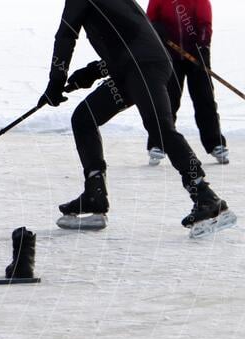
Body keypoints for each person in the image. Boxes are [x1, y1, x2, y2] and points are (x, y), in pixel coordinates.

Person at [40, 0, 233, 232]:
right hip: (134, 67)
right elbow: (127, 38)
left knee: (160, 128)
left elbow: (66, 35)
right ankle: (95, 195)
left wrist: (55, 82)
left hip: (143, 67)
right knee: (84, 118)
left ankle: (206, 196)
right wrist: (92, 72)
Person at [145, 0, 229, 166]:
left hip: (196, 55)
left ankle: (215, 143)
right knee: (167, 101)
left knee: (204, 99)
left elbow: (205, 24)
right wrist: (156, 30)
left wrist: (202, 47)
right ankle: (157, 143)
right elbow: (148, 21)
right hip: (169, 56)